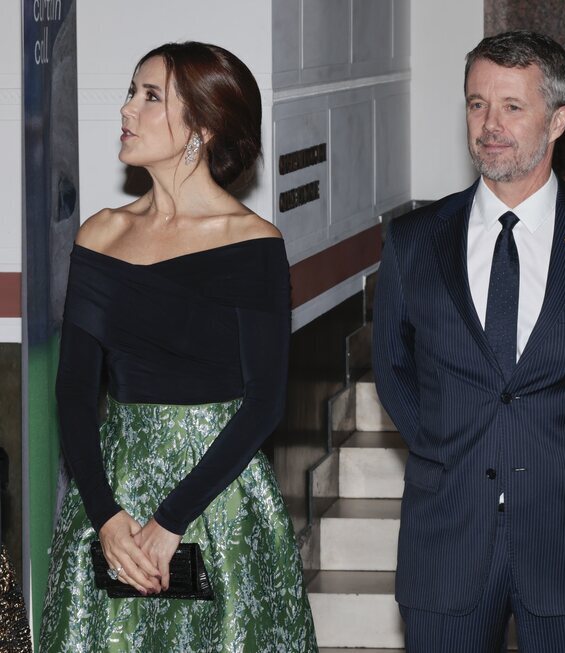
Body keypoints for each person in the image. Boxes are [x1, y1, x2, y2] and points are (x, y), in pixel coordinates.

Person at [372, 30, 565, 652]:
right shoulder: (414, 240)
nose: (489, 124)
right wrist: (446, 444)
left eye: (512, 106)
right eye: (477, 104)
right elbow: (393, 368)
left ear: (558, 119)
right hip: (447, 535)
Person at [39, 42, 317, 652]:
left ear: (202, 126)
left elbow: (265, 403)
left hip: (218, 496)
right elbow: (73, 391)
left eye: (150, 95)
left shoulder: (252, 242)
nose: (127, 110)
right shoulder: (103, 233)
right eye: (132, 92)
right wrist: (107, 519)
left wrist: (170, 521)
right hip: (113, 492)